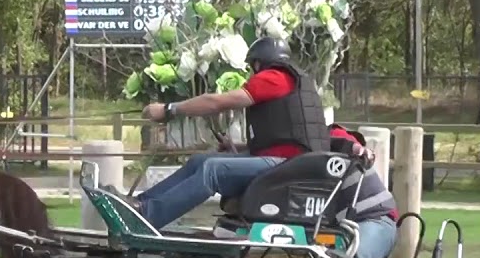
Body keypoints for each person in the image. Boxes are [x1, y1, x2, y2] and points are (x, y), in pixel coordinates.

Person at [115, 36, 331, 229]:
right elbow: (286, 136)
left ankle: (146, 217)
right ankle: (140, 203)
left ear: (258, 63)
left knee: (212, 170)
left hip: (288, 166)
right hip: (290, 162)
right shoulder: (292, 80)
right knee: (200, 160)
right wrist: (241, 147)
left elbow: (217, 102)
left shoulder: (274, 77)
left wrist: (169, 109)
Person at [326, 124, 400, 258]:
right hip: (346, 228)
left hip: (376, 219)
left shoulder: (336, 135)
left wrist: (358, 150)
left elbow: (355, 148)